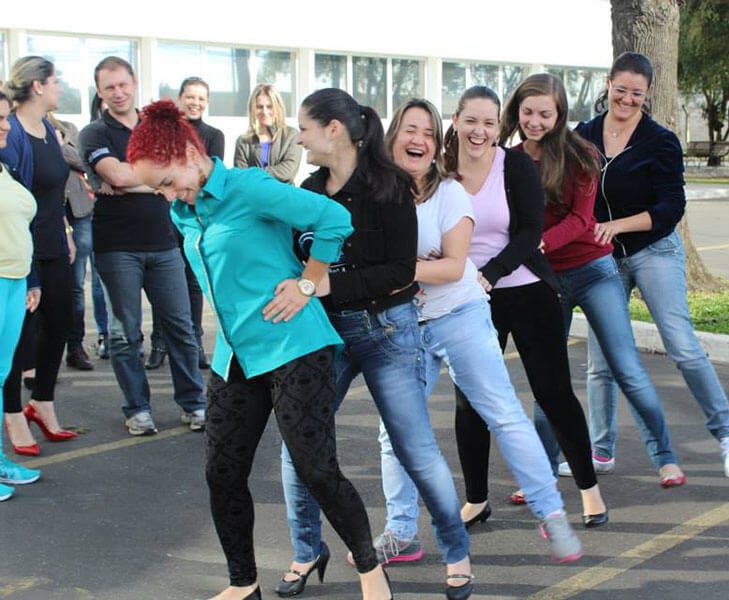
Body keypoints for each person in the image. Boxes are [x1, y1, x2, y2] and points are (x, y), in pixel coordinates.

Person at [128, 99, 392, 600]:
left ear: (188, 151)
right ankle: (242, 583)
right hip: (235, 356)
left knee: (316, 469)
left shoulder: (249, 188)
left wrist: (308, 284)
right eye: (157, 189)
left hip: (295, 345)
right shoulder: (185, 212)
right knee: (221, 473)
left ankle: (370, 571)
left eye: (166, 181)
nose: (166, 196)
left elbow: (333, 217)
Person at [372, 98, 584, 571]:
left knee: (503, 412)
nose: (418, 140)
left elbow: (451, 267)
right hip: (404, 324)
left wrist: (390, 272)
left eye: (426, 133)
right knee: (393, 433)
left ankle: (551, 512)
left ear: (434, 141)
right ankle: (401, 532)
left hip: (459, 313)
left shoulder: (450, 192)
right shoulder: (378, 194)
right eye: (410, 130)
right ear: (392, 137)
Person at [279, 88, 472, 600]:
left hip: (387, 331)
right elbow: (300, 258)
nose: (299, 137)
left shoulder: (388, 187)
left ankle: (457, 553)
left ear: (333, 130)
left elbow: (400, 270)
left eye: (304, 127)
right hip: (324, 335)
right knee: (298, 446)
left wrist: (331, 286)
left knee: (416, 450)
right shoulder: (308, 190)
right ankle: (305, 549)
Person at [502, 73, 685, 488]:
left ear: (560, 113)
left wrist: (534, 244)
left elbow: (582, 220)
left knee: (625, 367)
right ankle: (543, 471)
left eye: (544, 114)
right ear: (517, 112)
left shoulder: (582, 154)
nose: (534, 121)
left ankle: (665, 457)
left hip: (593, 271)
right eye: (527, 112)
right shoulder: (508, 160)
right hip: (545, 280)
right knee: (549, 382)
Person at [574, 51, 729, 478]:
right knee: (601, 362)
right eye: (621, 90)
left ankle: (728, 436)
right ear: (608, 85)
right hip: (604, 259)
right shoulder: (583, 136)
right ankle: (600, 450)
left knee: (681, 346)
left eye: (636, 93)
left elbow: (671, 207)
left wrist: (616, 225)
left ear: (647, 94)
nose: (627, 99)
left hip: (654, 250)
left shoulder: (660, 140)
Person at [446, 86, 609, 525]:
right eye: (471, 120)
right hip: (466, 299)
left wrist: (490, 274)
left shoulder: (514, 163)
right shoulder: (442, 170)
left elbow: (529, 231)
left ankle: (589, 490)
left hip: (524, 286)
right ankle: (476, 500)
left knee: (553, 393)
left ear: (500, 125)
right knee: (471, 401)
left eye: (488, 122)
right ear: (456, 120)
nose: (480, 130)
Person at [79, 56, 205, 436]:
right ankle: (137, 408)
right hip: (116, 247)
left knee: (181, 327)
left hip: (165, 244)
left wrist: (131, 182)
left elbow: (182, 171)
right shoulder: (93, 134)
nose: (117, 93)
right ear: (100, 93)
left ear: (134, 83)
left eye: (123, 84)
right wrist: (158, 180)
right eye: (109, 88)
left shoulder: (157, 128)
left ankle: (193, 403)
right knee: (124, 334)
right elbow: (114, 173)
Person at [0, 57, 79, 456]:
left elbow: (54, 191)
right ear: (37, 86)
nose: (58, 88)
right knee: (18, 337)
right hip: (22, 249)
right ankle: (12, 411)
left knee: (62, 321)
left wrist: (65, 230)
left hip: (53, 243)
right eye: (54, 81)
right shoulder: (12, 132)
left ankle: (41, 402)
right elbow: (14, 201)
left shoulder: (48, 128)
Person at [146, 76, 224, 371]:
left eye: (201, 98)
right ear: (180, 98)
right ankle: (159, 342)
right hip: (165, 217)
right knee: (162, 282)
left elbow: (210, 177)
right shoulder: (167, 133)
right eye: (190, 97)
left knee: (193, 282)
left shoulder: (214, 135)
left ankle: (194, 343)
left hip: (199, 218)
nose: (196, 102)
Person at [0, 88, 42, 501]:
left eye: (5, 117)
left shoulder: (5, 166)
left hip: (13, 282)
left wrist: (29, 278)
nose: (5, 126)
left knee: (0, 375)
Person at [49, 113, 109, 372]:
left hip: (80, 211)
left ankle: (76, 346)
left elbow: (83, 163)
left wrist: (59, 146)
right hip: (52, 212)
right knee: (58, 285)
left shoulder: (68, 129)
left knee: (77, 285)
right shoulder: (20, 128)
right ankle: (48, 350)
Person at [233, 83, 301, 184]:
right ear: (252, 109)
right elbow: (241, 177)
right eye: (260, 107)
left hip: (282, 196)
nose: (264, 111)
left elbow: (288, 171)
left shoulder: (291, 135)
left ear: (278, 107)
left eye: (269, 106)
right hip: (254, 197)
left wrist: (256, 174)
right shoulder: (243, 141)